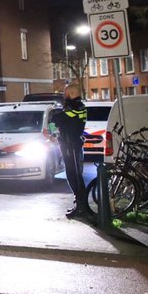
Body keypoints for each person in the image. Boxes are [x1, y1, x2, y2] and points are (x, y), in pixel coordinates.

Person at [57, 82, 90, 219]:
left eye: (65, 93)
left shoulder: (75, 107)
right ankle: (80, 204)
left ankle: (81, 206)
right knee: (75, 175)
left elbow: (58, 119)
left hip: (71, 145)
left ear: (70, 93)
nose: (63, 96)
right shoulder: (79, 106)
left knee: (74, 175)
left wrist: (57, 116)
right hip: (72, 144)